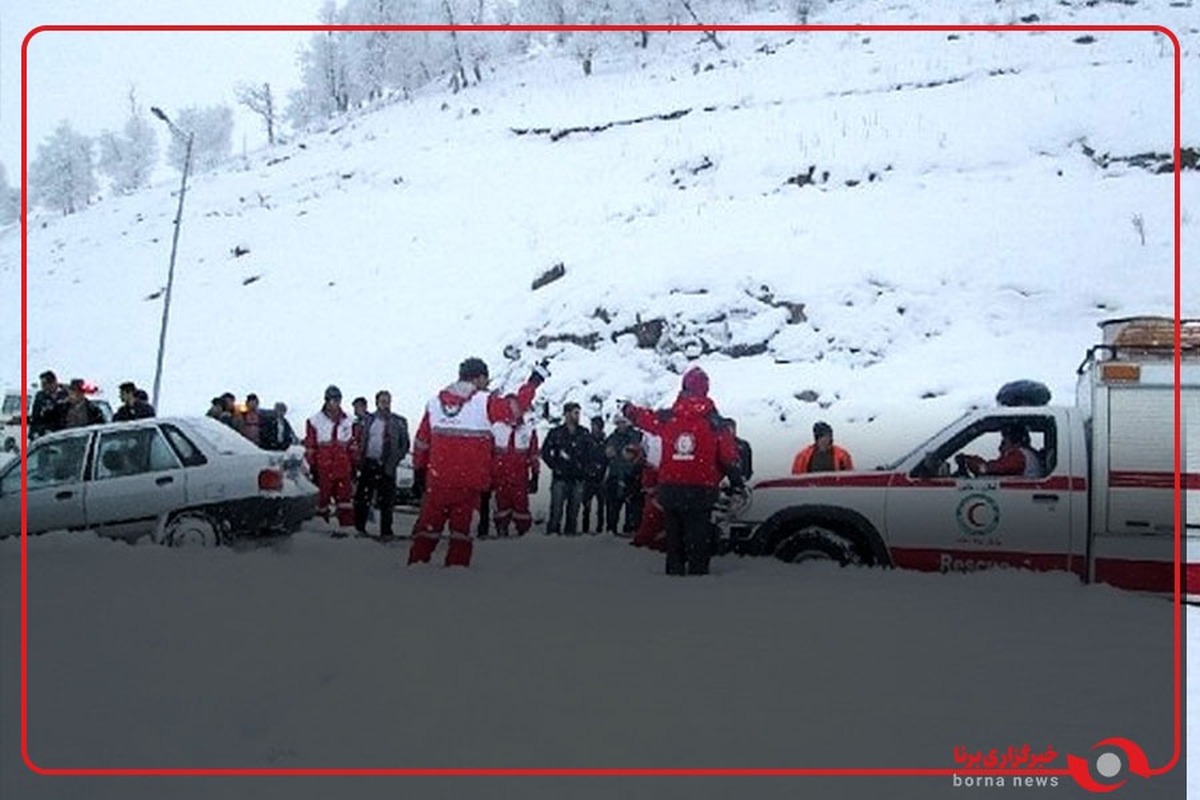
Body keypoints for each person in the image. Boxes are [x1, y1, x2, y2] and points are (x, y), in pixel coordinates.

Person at [408, 357, 546, 567]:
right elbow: (516, 409)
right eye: (486, 379)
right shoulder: (484, 402)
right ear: (479, 378)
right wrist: (533, 382)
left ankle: (413, 572)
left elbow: (421, 442)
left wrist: (419, 471)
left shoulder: (434, 404)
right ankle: (456, 578)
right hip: (468, 484)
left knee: (427, 532)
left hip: (437, 482)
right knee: (461, 536)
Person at [622, 366, 743, 576]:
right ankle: (698, 576)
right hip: (702, 490)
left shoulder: (669, 417)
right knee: (699, 538)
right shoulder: (716, 423)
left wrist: (629, 411)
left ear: (684, 387)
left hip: (671, 488)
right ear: (706, 390)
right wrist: (737, 483)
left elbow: (645, 419)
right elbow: (729, 458)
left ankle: (674, 575)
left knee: (674, 537)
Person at [353, 390, 410, 540]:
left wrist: (394, 460)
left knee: (387, 501)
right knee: (363, 498)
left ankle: (386, 531)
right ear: (377, 402)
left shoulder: (398, 421)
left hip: (387, 465)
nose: (385, 404)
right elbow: (359, 440)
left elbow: (404, 445)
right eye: (382, 401)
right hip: (369, 463)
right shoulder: (368, 420)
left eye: (387, 401)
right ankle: (359, 528)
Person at [304, 385, 358, 533]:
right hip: (323, 468)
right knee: (322, 501)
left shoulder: (350, 421)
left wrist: (354, 467)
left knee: (345, 501)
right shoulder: (314, 421)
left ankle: (347, 531)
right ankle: (321, 531)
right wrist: (311, 467)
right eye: (332, 400)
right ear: (326, 401)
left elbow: (353, 446)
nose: (335, 403)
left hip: (342, 467)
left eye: (337, 400)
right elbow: (310, 446)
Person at [540, 401, 593, 536]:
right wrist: (555, 466)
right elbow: (545, 452)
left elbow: (590, 454)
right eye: (575, 413)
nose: (577, 416)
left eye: (578, 413)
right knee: (556, 510)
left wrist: (585, 469)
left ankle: (570, 534)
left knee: (574, 511)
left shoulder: (584, 433)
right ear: (567, 414)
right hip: (560, 477)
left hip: (577, 477)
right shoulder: (556, 433)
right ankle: (553, 533)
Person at [490, 412, 540, 536]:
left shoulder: (528, 431)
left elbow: (533, 455)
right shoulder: (496, 429)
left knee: (521, 507)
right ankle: (501, 529)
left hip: (520, 478)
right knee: (502, 506)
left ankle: (523, 532)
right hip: (500, 477)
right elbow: (488, 454)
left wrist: (535, 475)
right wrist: (488, 475)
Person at [603, 414, 643, 535]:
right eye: (618, 422)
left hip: (632, 476)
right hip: (615, 475)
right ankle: (611, 529)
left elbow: (642, 454)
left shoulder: (637, 436)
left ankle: (630, 528)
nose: (621, 425)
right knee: (613, 506)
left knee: (632, 507)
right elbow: (606, 455)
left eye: (623, 422)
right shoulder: (612, 437)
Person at [958, 423, 1043, 478]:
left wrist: (974, 464)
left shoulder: (1019, 456)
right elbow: (997, 465)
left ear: (1014, 439)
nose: (1001, 445)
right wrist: (973, 459)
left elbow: (994, 469)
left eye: (1005, 440)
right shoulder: (1024, 453)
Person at [580, 415, 608, 534]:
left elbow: (608, 459)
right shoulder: (586, 440)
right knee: (586, 506)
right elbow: (582, 457)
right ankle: (585, 528)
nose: (594, 428)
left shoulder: (606, 441)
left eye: (596, 426)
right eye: (593, 426)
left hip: (601, 478)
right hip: (588, 477)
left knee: (601, 507)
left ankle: (600, 528)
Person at [30, 370, 67, 439]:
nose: (43, 387)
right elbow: (35, 417)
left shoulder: (66, 395)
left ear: (53, 383)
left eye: (44, 384)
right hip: (44, 434)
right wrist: (33, 433)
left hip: (62, 434)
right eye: (42, 385)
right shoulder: (40, 396)